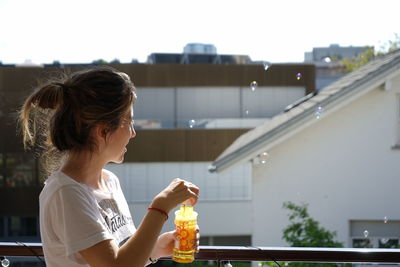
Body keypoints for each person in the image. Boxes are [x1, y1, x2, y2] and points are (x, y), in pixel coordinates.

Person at [19, 67, 200, 267]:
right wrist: (160, 207)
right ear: (103, 130)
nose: (133, 133)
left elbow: (121, 258)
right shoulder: (66, 192)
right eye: (129, 122)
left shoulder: (109, 182)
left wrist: (156, 249)